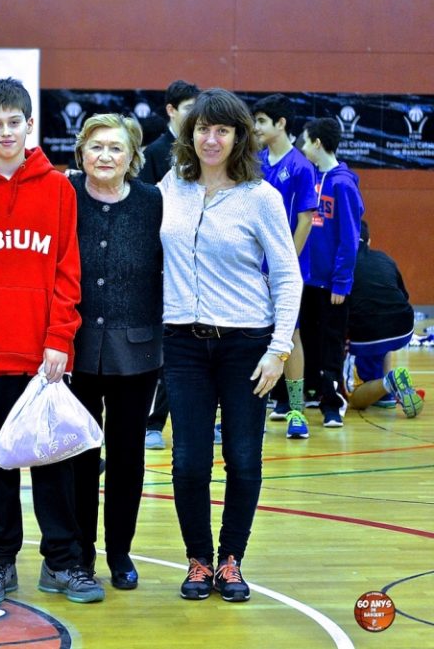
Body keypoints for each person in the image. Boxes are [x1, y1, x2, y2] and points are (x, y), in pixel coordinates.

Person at [0, 78, 104, 604]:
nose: (6, 132)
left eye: (15, 122)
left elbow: (67, 271)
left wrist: (59, 338)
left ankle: (62, 563)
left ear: (30, 124)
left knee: (54, 464)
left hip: (45, 354)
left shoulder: (58, 188)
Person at [159, 88, 301, 602]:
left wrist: (278, 350)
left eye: (222, 130)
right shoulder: (171, 186)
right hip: (183, 343)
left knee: (242, 459)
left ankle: (231, 559)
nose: (211, 139)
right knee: (188, 462)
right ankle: (199, 560)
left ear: (240, 137)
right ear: (190, 133)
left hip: (247, 345)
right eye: (203, 128)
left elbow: (287, 276)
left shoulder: (260, 197)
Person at [66, 113, 163, 590]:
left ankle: (120, 551)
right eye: (96, 146)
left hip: (138, 352)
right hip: (75, 349)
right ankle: (80, 553)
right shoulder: (65, 194)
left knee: (127, 458)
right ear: (81, 152)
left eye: (116, 148)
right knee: (80, 457)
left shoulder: (153, 202)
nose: (105, 156)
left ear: (132, 157)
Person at [253, 93, 318, 439]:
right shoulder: (255, 162)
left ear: (281, 124)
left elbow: (306, 219)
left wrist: (285, 263)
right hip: (252, 268)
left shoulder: (302, 167)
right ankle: (250, 412)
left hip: (286, 269)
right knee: (250, 335)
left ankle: (296, 410)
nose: (256, 127)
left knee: (290, 335)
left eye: (262, 121)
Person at [140, 79, 200, 450]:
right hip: (162, 264)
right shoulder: (155, 153)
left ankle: (204, 419)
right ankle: (153, 422)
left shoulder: (205, 151)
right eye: (189, 109)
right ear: (172, 110)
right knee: (164, 346)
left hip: (196, 266)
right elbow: (147, 210)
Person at [300, 117, 365, 427]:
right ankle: (313, 391)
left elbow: (350, 238)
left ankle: (332, 403)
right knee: (309, 339)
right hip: (307, 280)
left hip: (332, 284)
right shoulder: (310, 177)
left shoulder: (343, 184)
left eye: (304, 141)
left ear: (317, 143)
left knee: (331, 343)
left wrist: (341, 281)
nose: (301, 148)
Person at [344, 220, 423, 417]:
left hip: (367, 333)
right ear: (369, 241)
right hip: (403, 328)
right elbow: (403, 296)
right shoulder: (384, 258)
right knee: (382, 320)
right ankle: (386, 393)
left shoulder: (341, 262)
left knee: (352, 398)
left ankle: (389, 382)